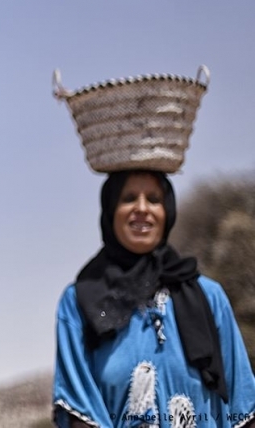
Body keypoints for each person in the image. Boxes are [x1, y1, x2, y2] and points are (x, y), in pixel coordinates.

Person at [52, 170, 255, 427]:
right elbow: (78, 412)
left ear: (167, 211)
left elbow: (243, 406)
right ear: (110, 209)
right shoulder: (79, 302)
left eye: (153, 199)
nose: (142, 208)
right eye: (128, 198)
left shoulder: (208, 296)